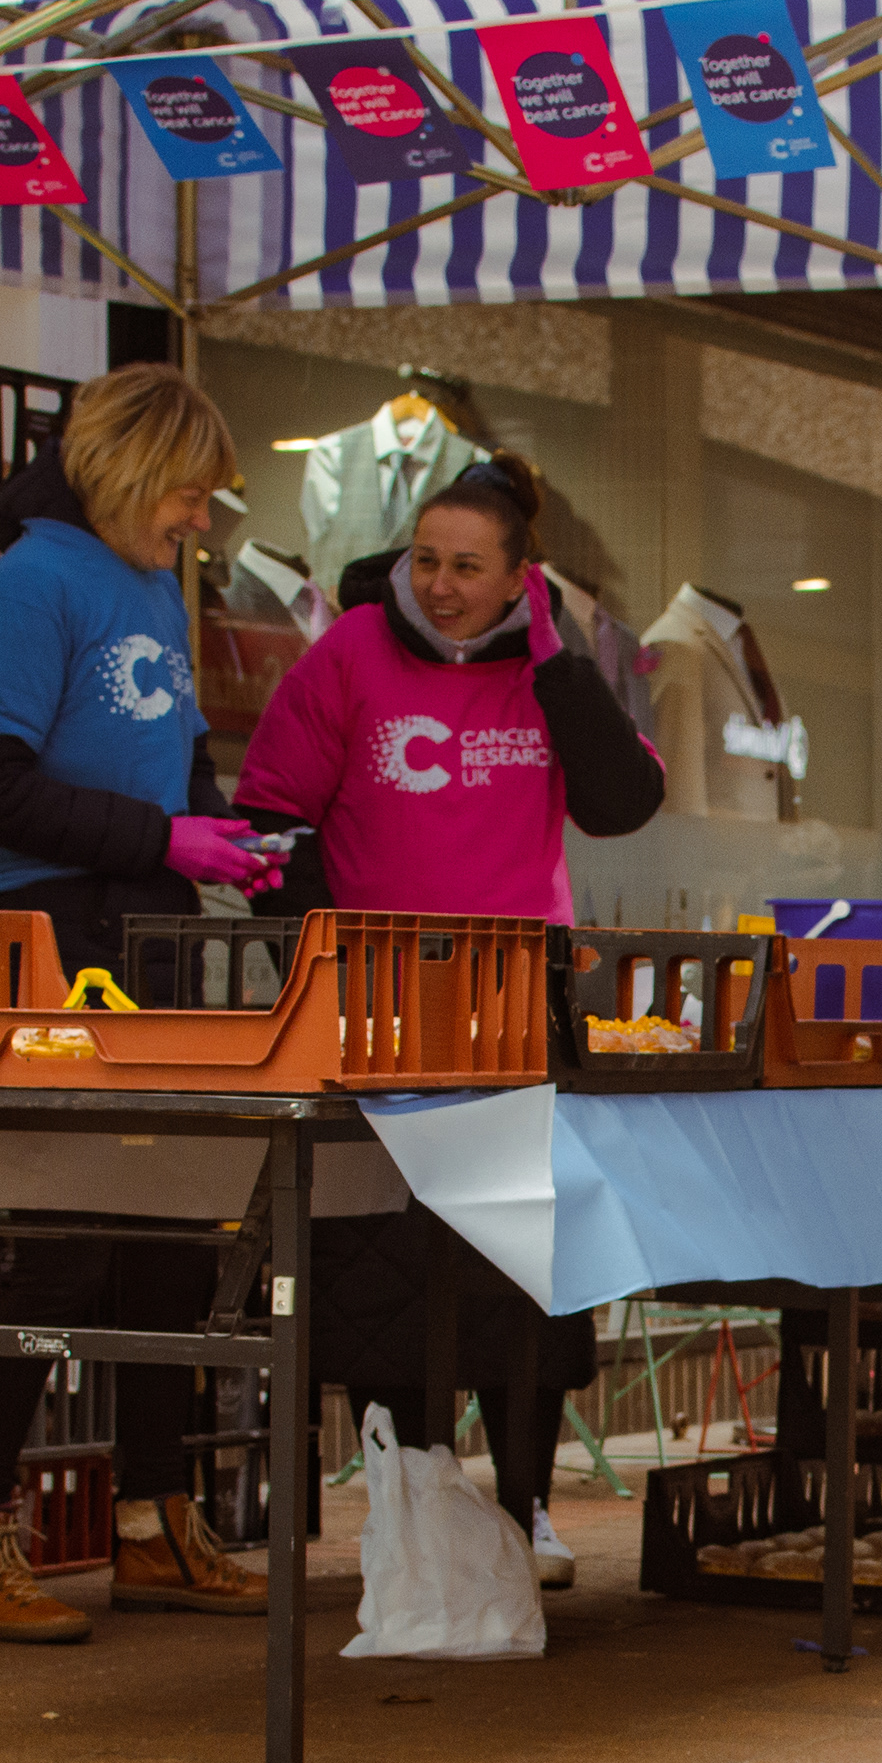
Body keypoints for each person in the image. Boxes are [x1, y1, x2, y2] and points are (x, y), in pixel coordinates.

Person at [237, 451, 665, 1582]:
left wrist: (556, 663)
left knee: (527, 1276)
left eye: (469, 567)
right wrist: (335, 959)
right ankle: (412, 1507)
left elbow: (623, 802)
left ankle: (526, 1508)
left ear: (521, 577)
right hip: (382, 1021)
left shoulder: (552, 669)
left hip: (520, 1018)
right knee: (390, 1278)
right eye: (426, 560)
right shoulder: (349, 653)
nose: (439, 585)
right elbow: (270, 817)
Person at [0, 363, 280, 1643]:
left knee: (167, 1230)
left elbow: (174, 753)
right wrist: (161, 838)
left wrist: (219, 833)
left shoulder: (148, 584)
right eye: (188, 494)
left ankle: (152, 1522)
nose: (201, 520)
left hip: (149, 924)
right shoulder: (26, 587)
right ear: (127, 474)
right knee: (62, 1237)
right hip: (49, 929)